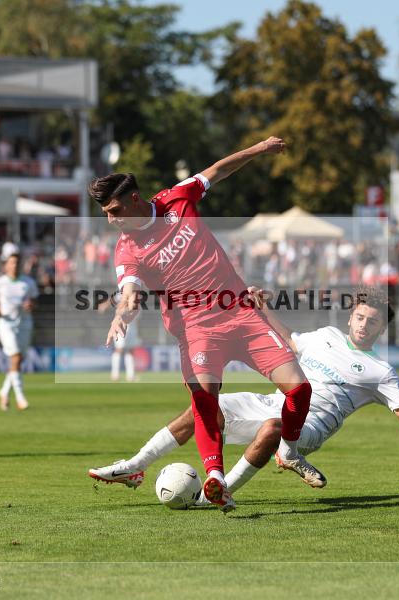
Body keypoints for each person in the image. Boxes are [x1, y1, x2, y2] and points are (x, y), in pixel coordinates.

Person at [88, 136, 320, 513]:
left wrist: (260, 149)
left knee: (300, 390)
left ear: (134, 199)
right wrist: (120, 313)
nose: (111, 220)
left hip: (240, 312)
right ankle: (214, 477)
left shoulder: (177, 198)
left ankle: (289, 452)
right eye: (105, 214)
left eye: (114, 210)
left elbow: (220, 168)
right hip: (196, 329)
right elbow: (129, 290)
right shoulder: (127, 248)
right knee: (204, 400)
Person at [89, 287, 399, 499]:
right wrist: (263, 306)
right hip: (273, 401)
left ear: (381, 329)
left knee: (273, 427)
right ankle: (135, 465)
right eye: (359, 317)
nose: (364, 325)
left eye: (373, 322)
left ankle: (215, 494)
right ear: (351, 316)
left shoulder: (380, 371)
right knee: (205, 406)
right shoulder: (325, 337)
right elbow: (287, 338)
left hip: (311, 425)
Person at [0, 252, 38, 411]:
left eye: (17, 262)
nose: (14, 265)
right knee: (15, 357)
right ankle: (20, 398)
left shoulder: (28, 282)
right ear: (6, 265)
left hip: (24, 322)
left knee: (18, 360)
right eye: (11, 262)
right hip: (6, 323)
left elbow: (34, 300)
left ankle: (4, 391)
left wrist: (31, 306)